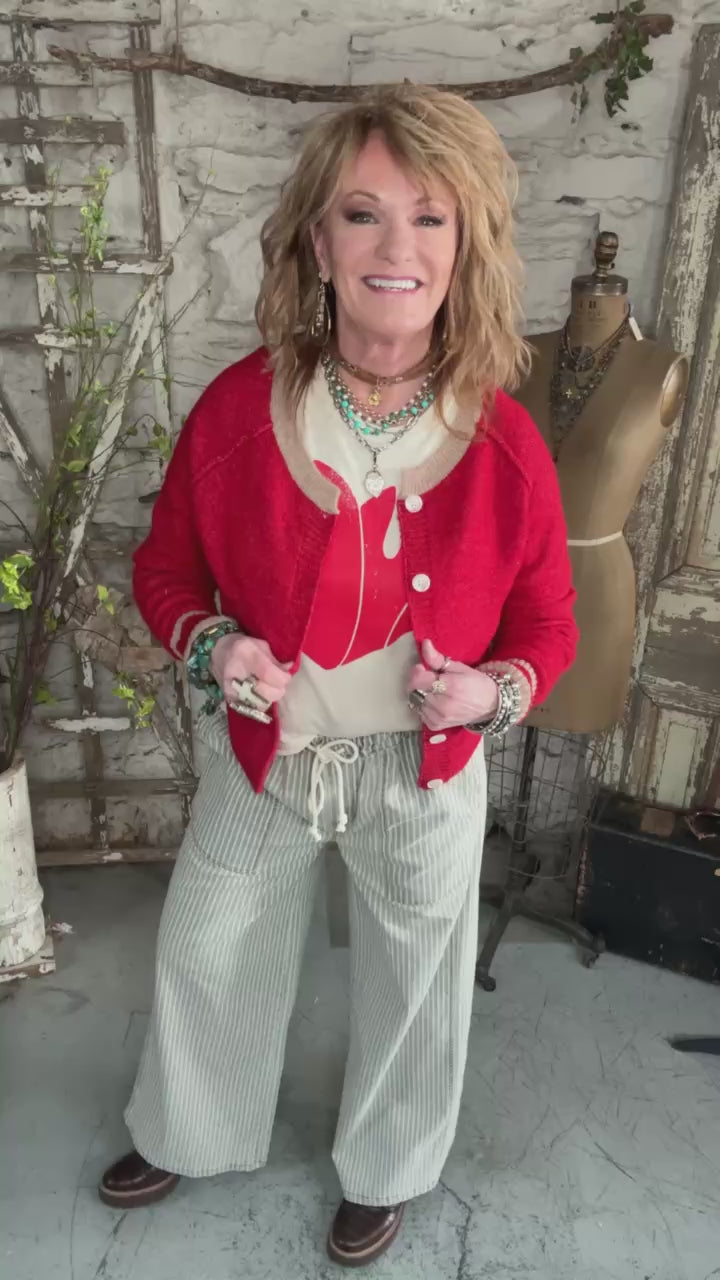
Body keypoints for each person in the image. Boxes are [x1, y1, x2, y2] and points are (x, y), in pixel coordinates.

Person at [99, 84, 577, 1267]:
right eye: (363, 214)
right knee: (209, 941)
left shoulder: (507, 445)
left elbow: (548, 623)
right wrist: (217, 647)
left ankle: (388, 1166)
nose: (394, 247)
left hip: (426, 770)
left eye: (429, 217)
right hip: (271, 754)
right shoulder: (238, 410)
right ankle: (191, 1125)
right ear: (318, 243)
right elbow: (165, 571)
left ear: (466, 247)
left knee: (417, 977)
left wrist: (492, 693)